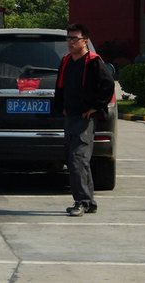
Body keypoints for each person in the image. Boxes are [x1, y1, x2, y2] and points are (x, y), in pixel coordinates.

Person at [53, 23, 115, 217]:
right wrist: (61, 106)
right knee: (76, 160)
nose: (71, 42)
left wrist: (95, 107)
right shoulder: (66, 61)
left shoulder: (93, 61)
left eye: (75, 39)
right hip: (70, 118)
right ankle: (88, 202)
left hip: (84, 119)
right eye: (69, 38)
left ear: (85, 40)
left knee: (78, 159)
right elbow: (60, 87)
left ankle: (80, 201)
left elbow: (108, 85)